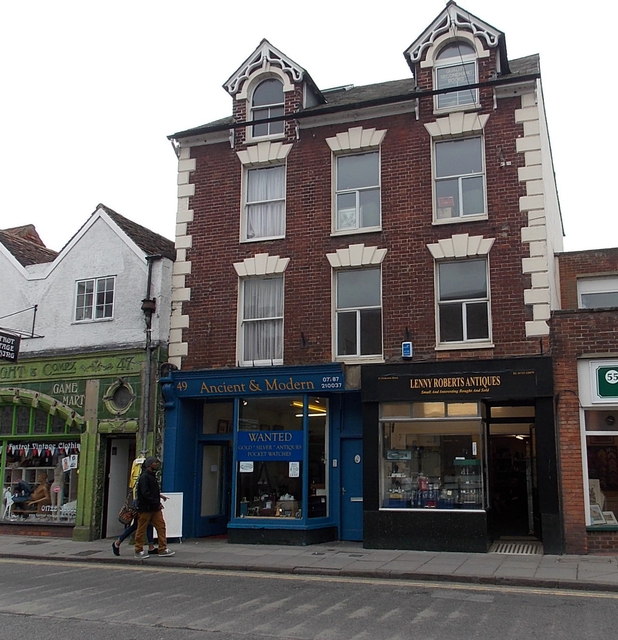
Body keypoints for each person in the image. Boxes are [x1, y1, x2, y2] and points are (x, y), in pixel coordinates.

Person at [133, 456, 175, 559]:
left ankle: (162, 549)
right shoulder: (144, 477)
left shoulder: (152, 476)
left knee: (161, 527)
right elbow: (146, 493)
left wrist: (159, 497)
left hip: (154, 508)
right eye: (155, 463)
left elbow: (152, 492)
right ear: (149, 465)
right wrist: (156, 502)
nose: (157, 464)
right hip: (146, 508)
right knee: (141, 529)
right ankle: (138, 550)